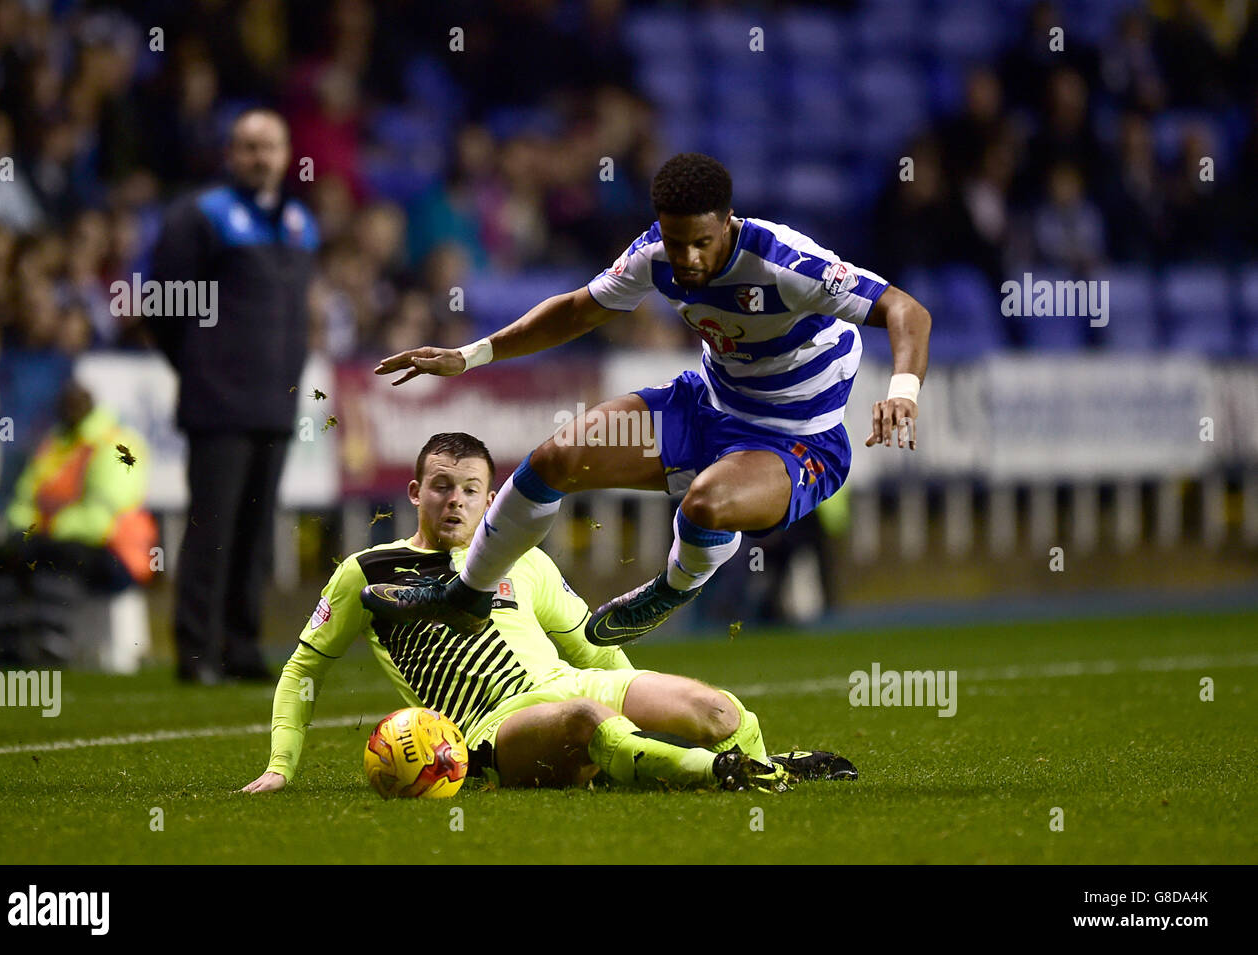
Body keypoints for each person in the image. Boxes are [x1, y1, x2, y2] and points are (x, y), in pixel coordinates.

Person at [368, 152, 930, 643]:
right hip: (706, 405)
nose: (685, 258)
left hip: (799, 438)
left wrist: (902, 392)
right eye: (675, 241)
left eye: (701, 244)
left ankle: (673, 588)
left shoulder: (786, 263)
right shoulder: (654, 253)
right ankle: (466, 597)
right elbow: (577, 310)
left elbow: (907, 310)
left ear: (728, 225)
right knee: (555, 458)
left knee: (706, 504)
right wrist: (470, 355)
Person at [241, 432, 856, 794]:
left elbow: (591, 650)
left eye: (469, 489)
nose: (454, 500)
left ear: (490, 498)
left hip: (571, 685)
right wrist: (280, 766)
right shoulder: (367, 571)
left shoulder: (524, 560)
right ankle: (719, 774)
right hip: (486, 730)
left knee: (717, 708)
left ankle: (766, 765)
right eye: (440, 485)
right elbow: (302, 669)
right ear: (414, 493)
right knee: (584, 722)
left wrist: (638, 693)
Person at [148, 108, 319, 684]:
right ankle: (196, 653)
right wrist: (200, 366)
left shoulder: (300, 221)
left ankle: (241, 646)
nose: (259, 157)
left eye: (268, 146)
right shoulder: (201, 217)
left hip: (276, 402)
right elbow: (163, 306)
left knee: (256, 530)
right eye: (247, 147)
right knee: (212, 530)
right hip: (217, 403)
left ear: (287, 152)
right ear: (230, 154)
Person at [0, 380, 156, 666]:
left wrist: (47, 531)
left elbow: (103, 516)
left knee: (54, 555)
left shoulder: (118, 444)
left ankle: (52, 642)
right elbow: (26, 499)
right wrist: (18, 533)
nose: (68, 407)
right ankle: (6, 647)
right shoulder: (54, 443)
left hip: (115, 550)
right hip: (55, 538)